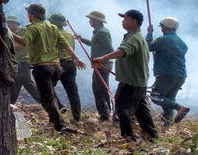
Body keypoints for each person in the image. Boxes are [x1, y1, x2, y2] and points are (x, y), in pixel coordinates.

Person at [11, 4, 84, 132]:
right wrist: (77, 59)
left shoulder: (33, 28)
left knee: (47, 100)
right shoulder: (53, 28)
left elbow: (23, 42)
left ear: (32, 16)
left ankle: (59, 125)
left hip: (42, 68)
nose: (27, 15)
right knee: (50, 95)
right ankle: (56, 119)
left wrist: (9, 33)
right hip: (56, 67)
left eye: (28, 13)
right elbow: (66, 45)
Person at [93, 10, 159, 142]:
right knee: (141, 109)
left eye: (126, 18)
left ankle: (129, 137)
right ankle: (152, 135)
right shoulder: (137, 36)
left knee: (122, 108)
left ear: (134, 21)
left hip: (131, 81)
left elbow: (122, 51)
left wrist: (103, 58)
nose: (123, 21)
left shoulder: (134, 38)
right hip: (138, 80)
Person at [147, 16, 190, 126]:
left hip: (166, 74)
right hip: (181, 75)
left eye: (162, 26)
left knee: (155, 97)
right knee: (169, 100)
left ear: (165, 27)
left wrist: (149, 33)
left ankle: (179, 107)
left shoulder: (163, 39)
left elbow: (147, 47)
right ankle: (167, 126)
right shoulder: (182, 43)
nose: (161, 29)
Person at [77, 11, 114, 122]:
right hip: (99, 66)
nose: (89, 21)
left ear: (96, 21)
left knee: (102, 90)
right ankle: (104, 115)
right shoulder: (98, 32)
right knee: (97, 90)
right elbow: (95, 44)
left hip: (102, 66)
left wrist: (101, 60)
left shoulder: (102, 32)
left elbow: (110, 50)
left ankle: (109, 114)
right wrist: (81, 39)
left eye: (91, 19)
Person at [48, 14, 83, 122]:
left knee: (48, 87)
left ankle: (58, 108)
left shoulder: (52, 34)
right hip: (70, 63)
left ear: (53, 23)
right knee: (72, 91)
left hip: (58, 64)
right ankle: (77, 117)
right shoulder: (70, 35)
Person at [6, 16, 43, 106]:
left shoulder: (24, 31)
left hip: (23, 62)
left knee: (18, 83)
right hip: (14, 63)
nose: (8, 25)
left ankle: (9, 105)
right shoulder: (8, 33)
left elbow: (22, 45)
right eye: (7, 23)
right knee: (27, 84)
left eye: (10, 23)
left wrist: (6, 48)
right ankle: (46, 102)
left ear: (15, 24)